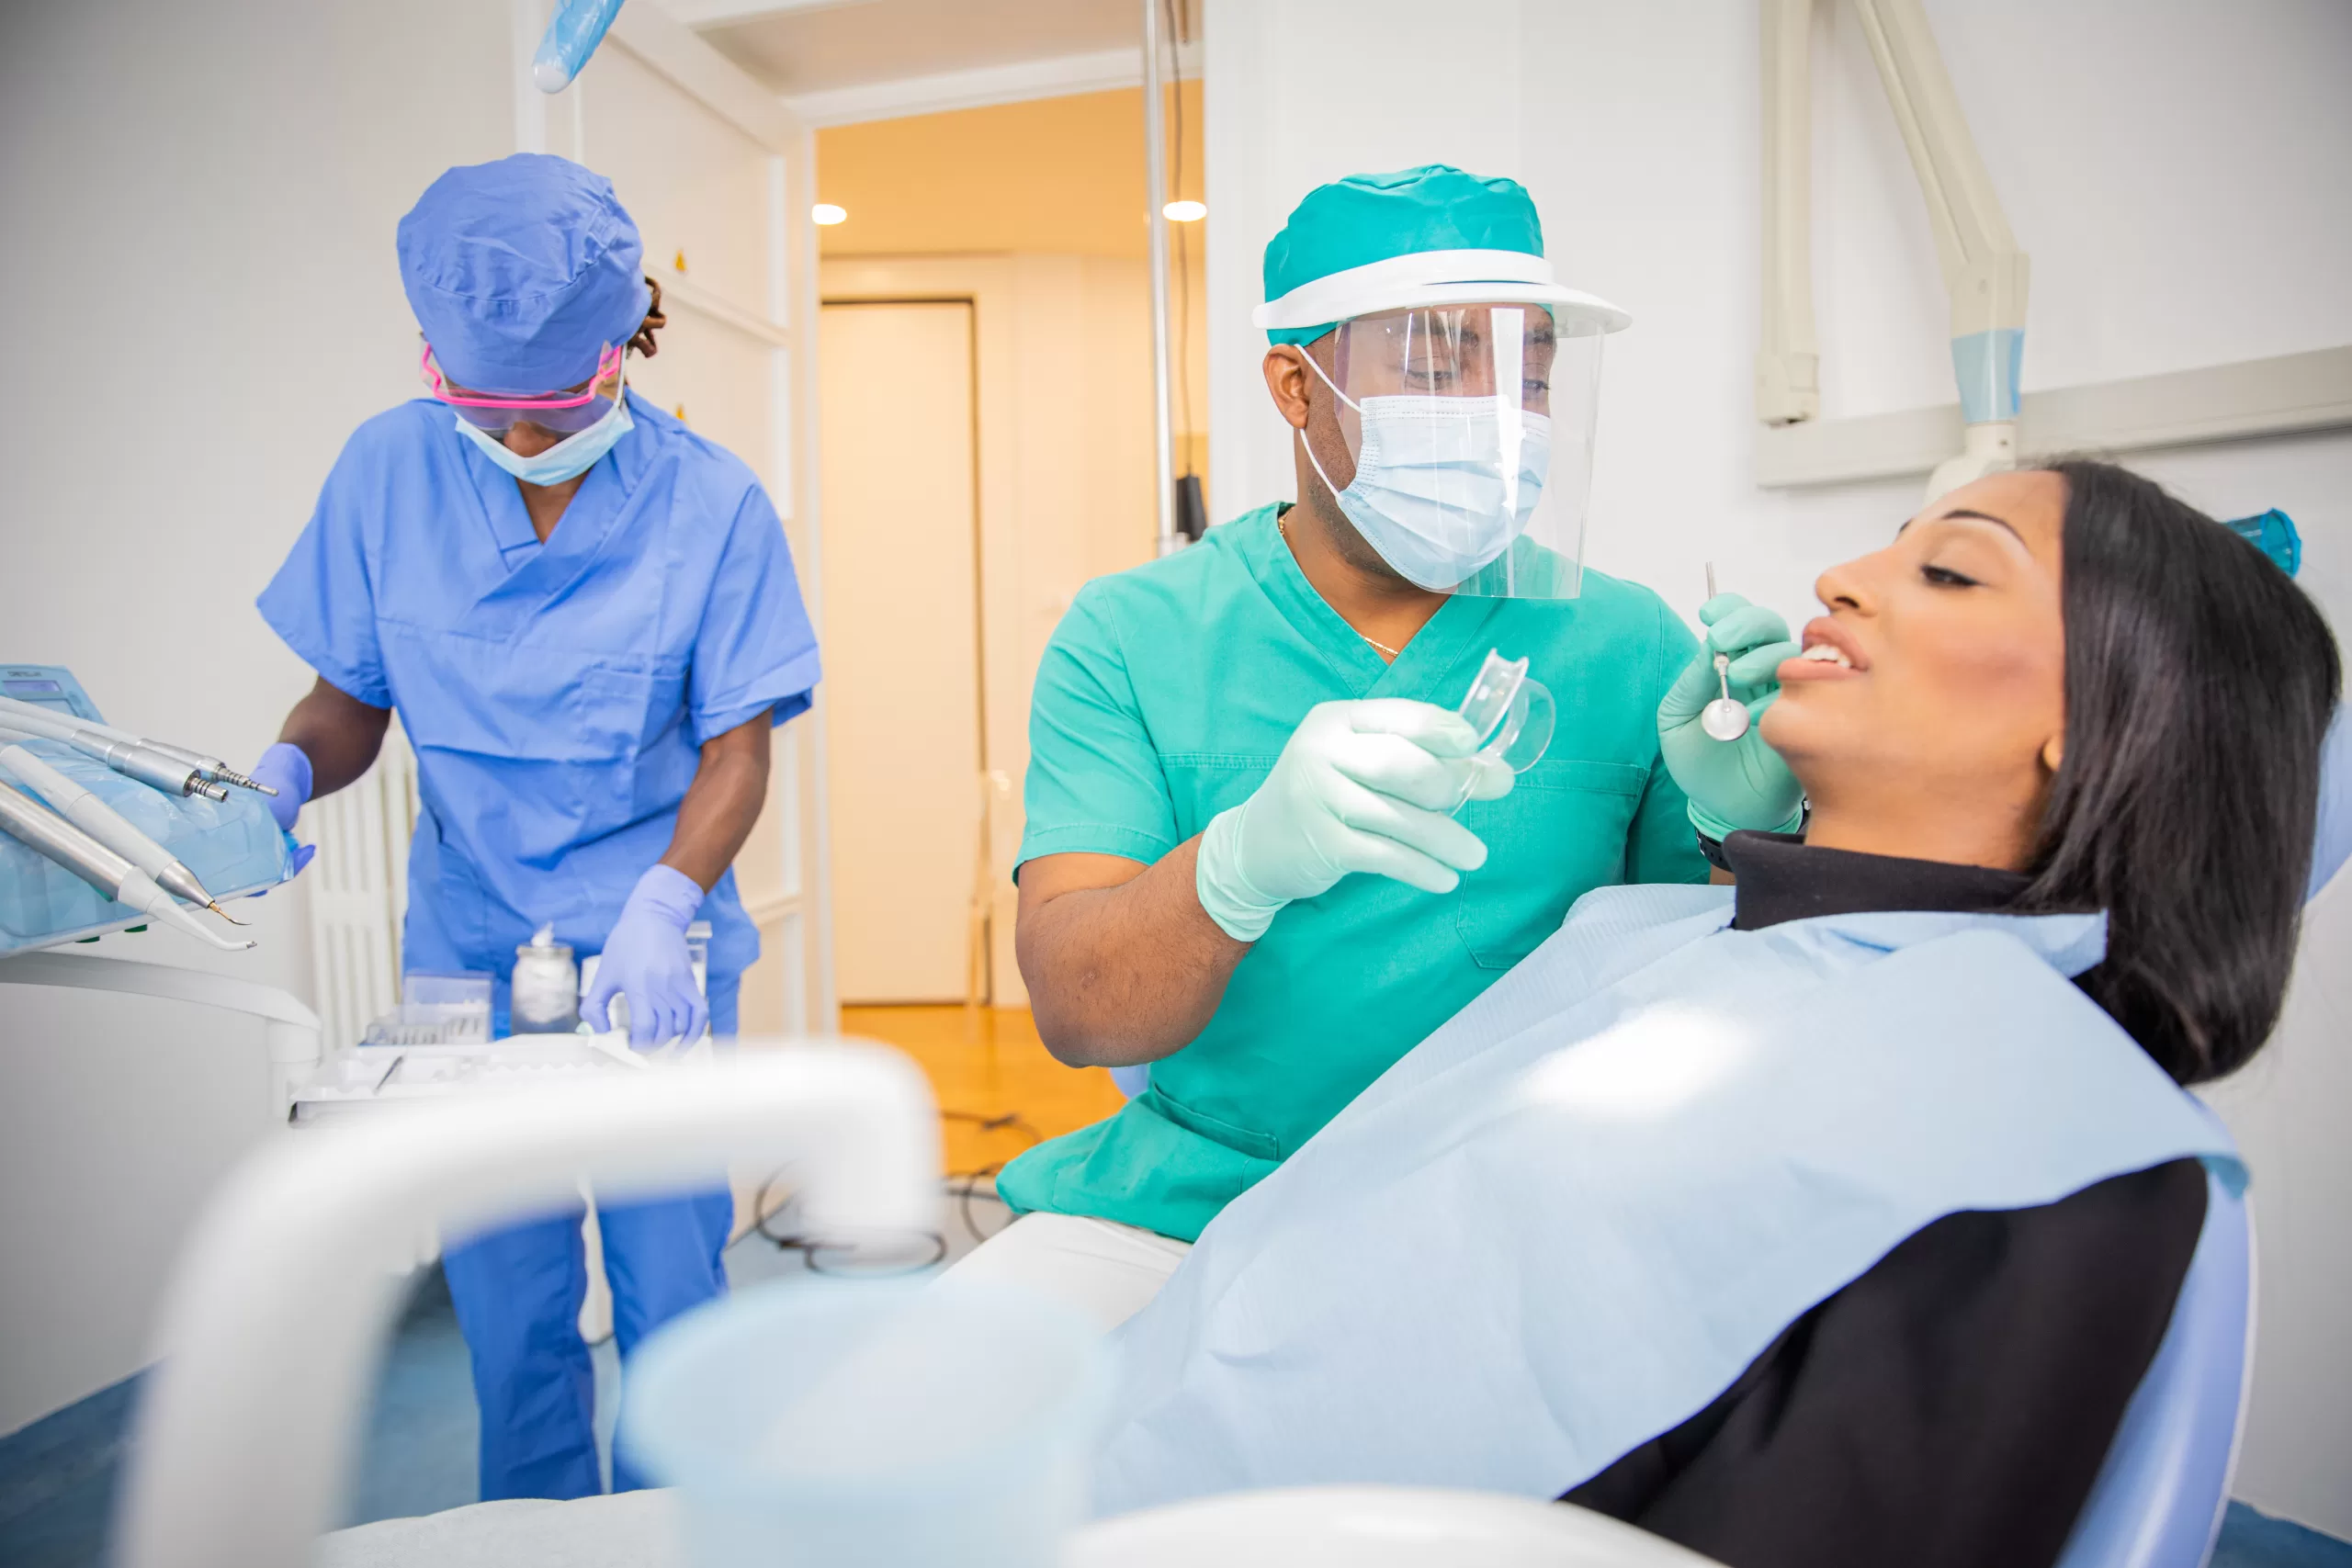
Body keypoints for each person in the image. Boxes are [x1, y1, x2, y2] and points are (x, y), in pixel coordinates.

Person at [1092, 459, 2340, 1568]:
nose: (1840, 578)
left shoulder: (2048, 1146)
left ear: (2103, 726)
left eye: (1952, 570)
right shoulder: (1679, 933)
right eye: (1889, 542)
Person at [957, 166, 1724, 1314]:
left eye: (1528, 374)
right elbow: (1078, 1012)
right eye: (1435, 362)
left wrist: (1754, 824)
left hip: (1522, 1197)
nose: (1496, 419)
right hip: (1205, 1202)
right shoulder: (1134, 635)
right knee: (933, 1428)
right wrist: (1233, 871)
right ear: (1296, 386)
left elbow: (1707, 982)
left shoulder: (1628, 641)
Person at [246, 154, 820, 1501]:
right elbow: (350, 698)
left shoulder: (714, 502)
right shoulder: (387, 469)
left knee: (674, 1284)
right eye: (486, 409)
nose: (516, 443)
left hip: (649, 948)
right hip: (467, 942)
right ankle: (534, 1526)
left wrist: (669, 900)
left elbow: (739, 743)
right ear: (435, 363)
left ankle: (673, 1526)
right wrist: (279, 770)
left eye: (549, 408)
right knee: (505, 1294)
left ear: (624, 342)